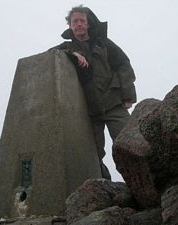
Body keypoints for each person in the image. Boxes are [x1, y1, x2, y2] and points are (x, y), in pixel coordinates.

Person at [53, 5, 137, 180]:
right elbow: (49, 55)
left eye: (82, 21)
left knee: (131, 145)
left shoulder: (103, 43)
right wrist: (72, 53)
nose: (79, 24)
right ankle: (104, 190)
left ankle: (142, 186)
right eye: (75, 21)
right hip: (90, 113)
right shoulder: (65, 47)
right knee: (93, 157)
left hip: (114, 104)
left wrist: (128, 95)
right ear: (70, 25)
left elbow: (124, 64)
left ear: (88, 24)